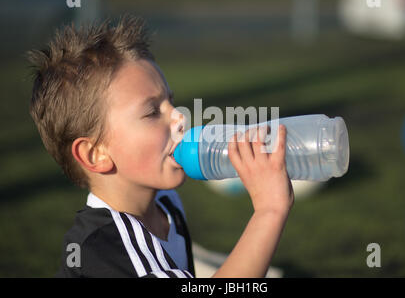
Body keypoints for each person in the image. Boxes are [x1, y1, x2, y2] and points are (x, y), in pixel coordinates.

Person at [27, 15, 294, 278]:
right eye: (153, 111)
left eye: (170, 102)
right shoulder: (107, 248)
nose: (180, 118)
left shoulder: (165, 202)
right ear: (96, 154)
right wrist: (269, 210)